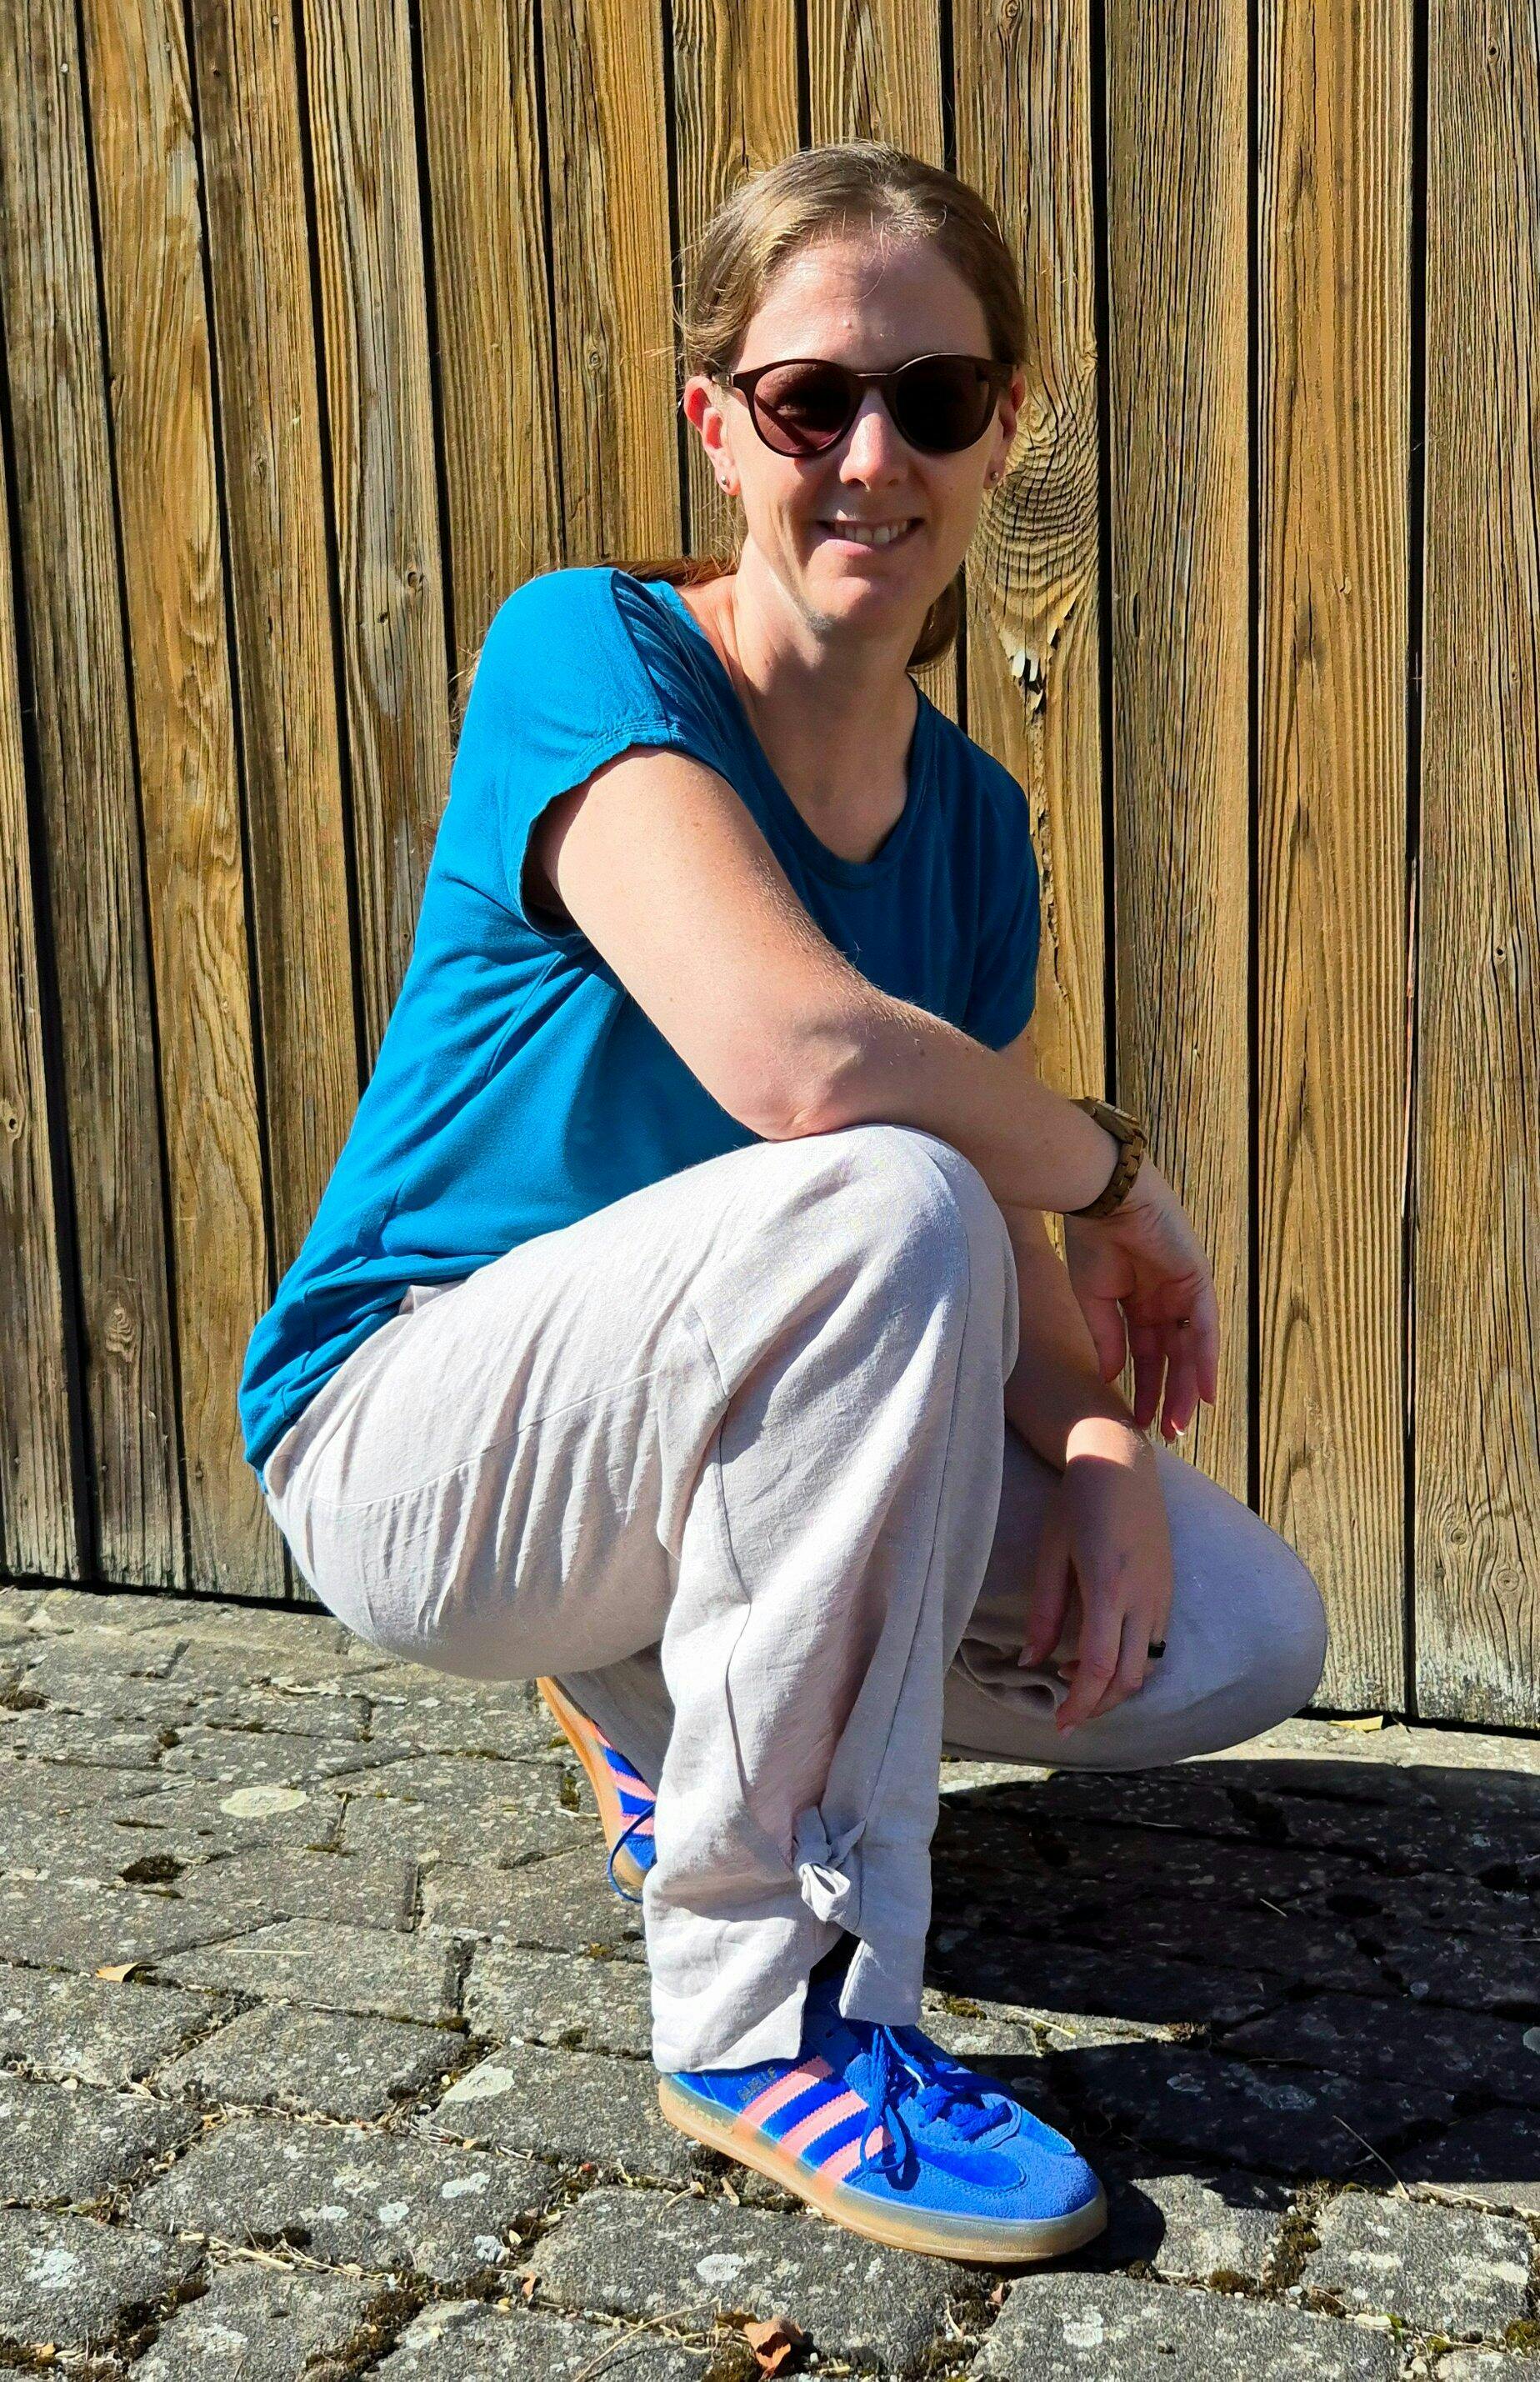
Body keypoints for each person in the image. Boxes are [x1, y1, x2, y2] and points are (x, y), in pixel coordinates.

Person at [241, 140, 1328, 2264]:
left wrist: (1104, 1448)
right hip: (414, 1441)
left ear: (1003, 430)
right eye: (810, 399)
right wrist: (1124, 1177)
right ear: (717, 425)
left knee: (1236, 1629)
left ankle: (662, 1702)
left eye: (935, 398)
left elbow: (978, 1267)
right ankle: (775, 2012)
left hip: (700, 1435)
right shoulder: (588, 653)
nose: (872, 458)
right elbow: (799, 1062)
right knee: (886, 1187)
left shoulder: (974, 831)